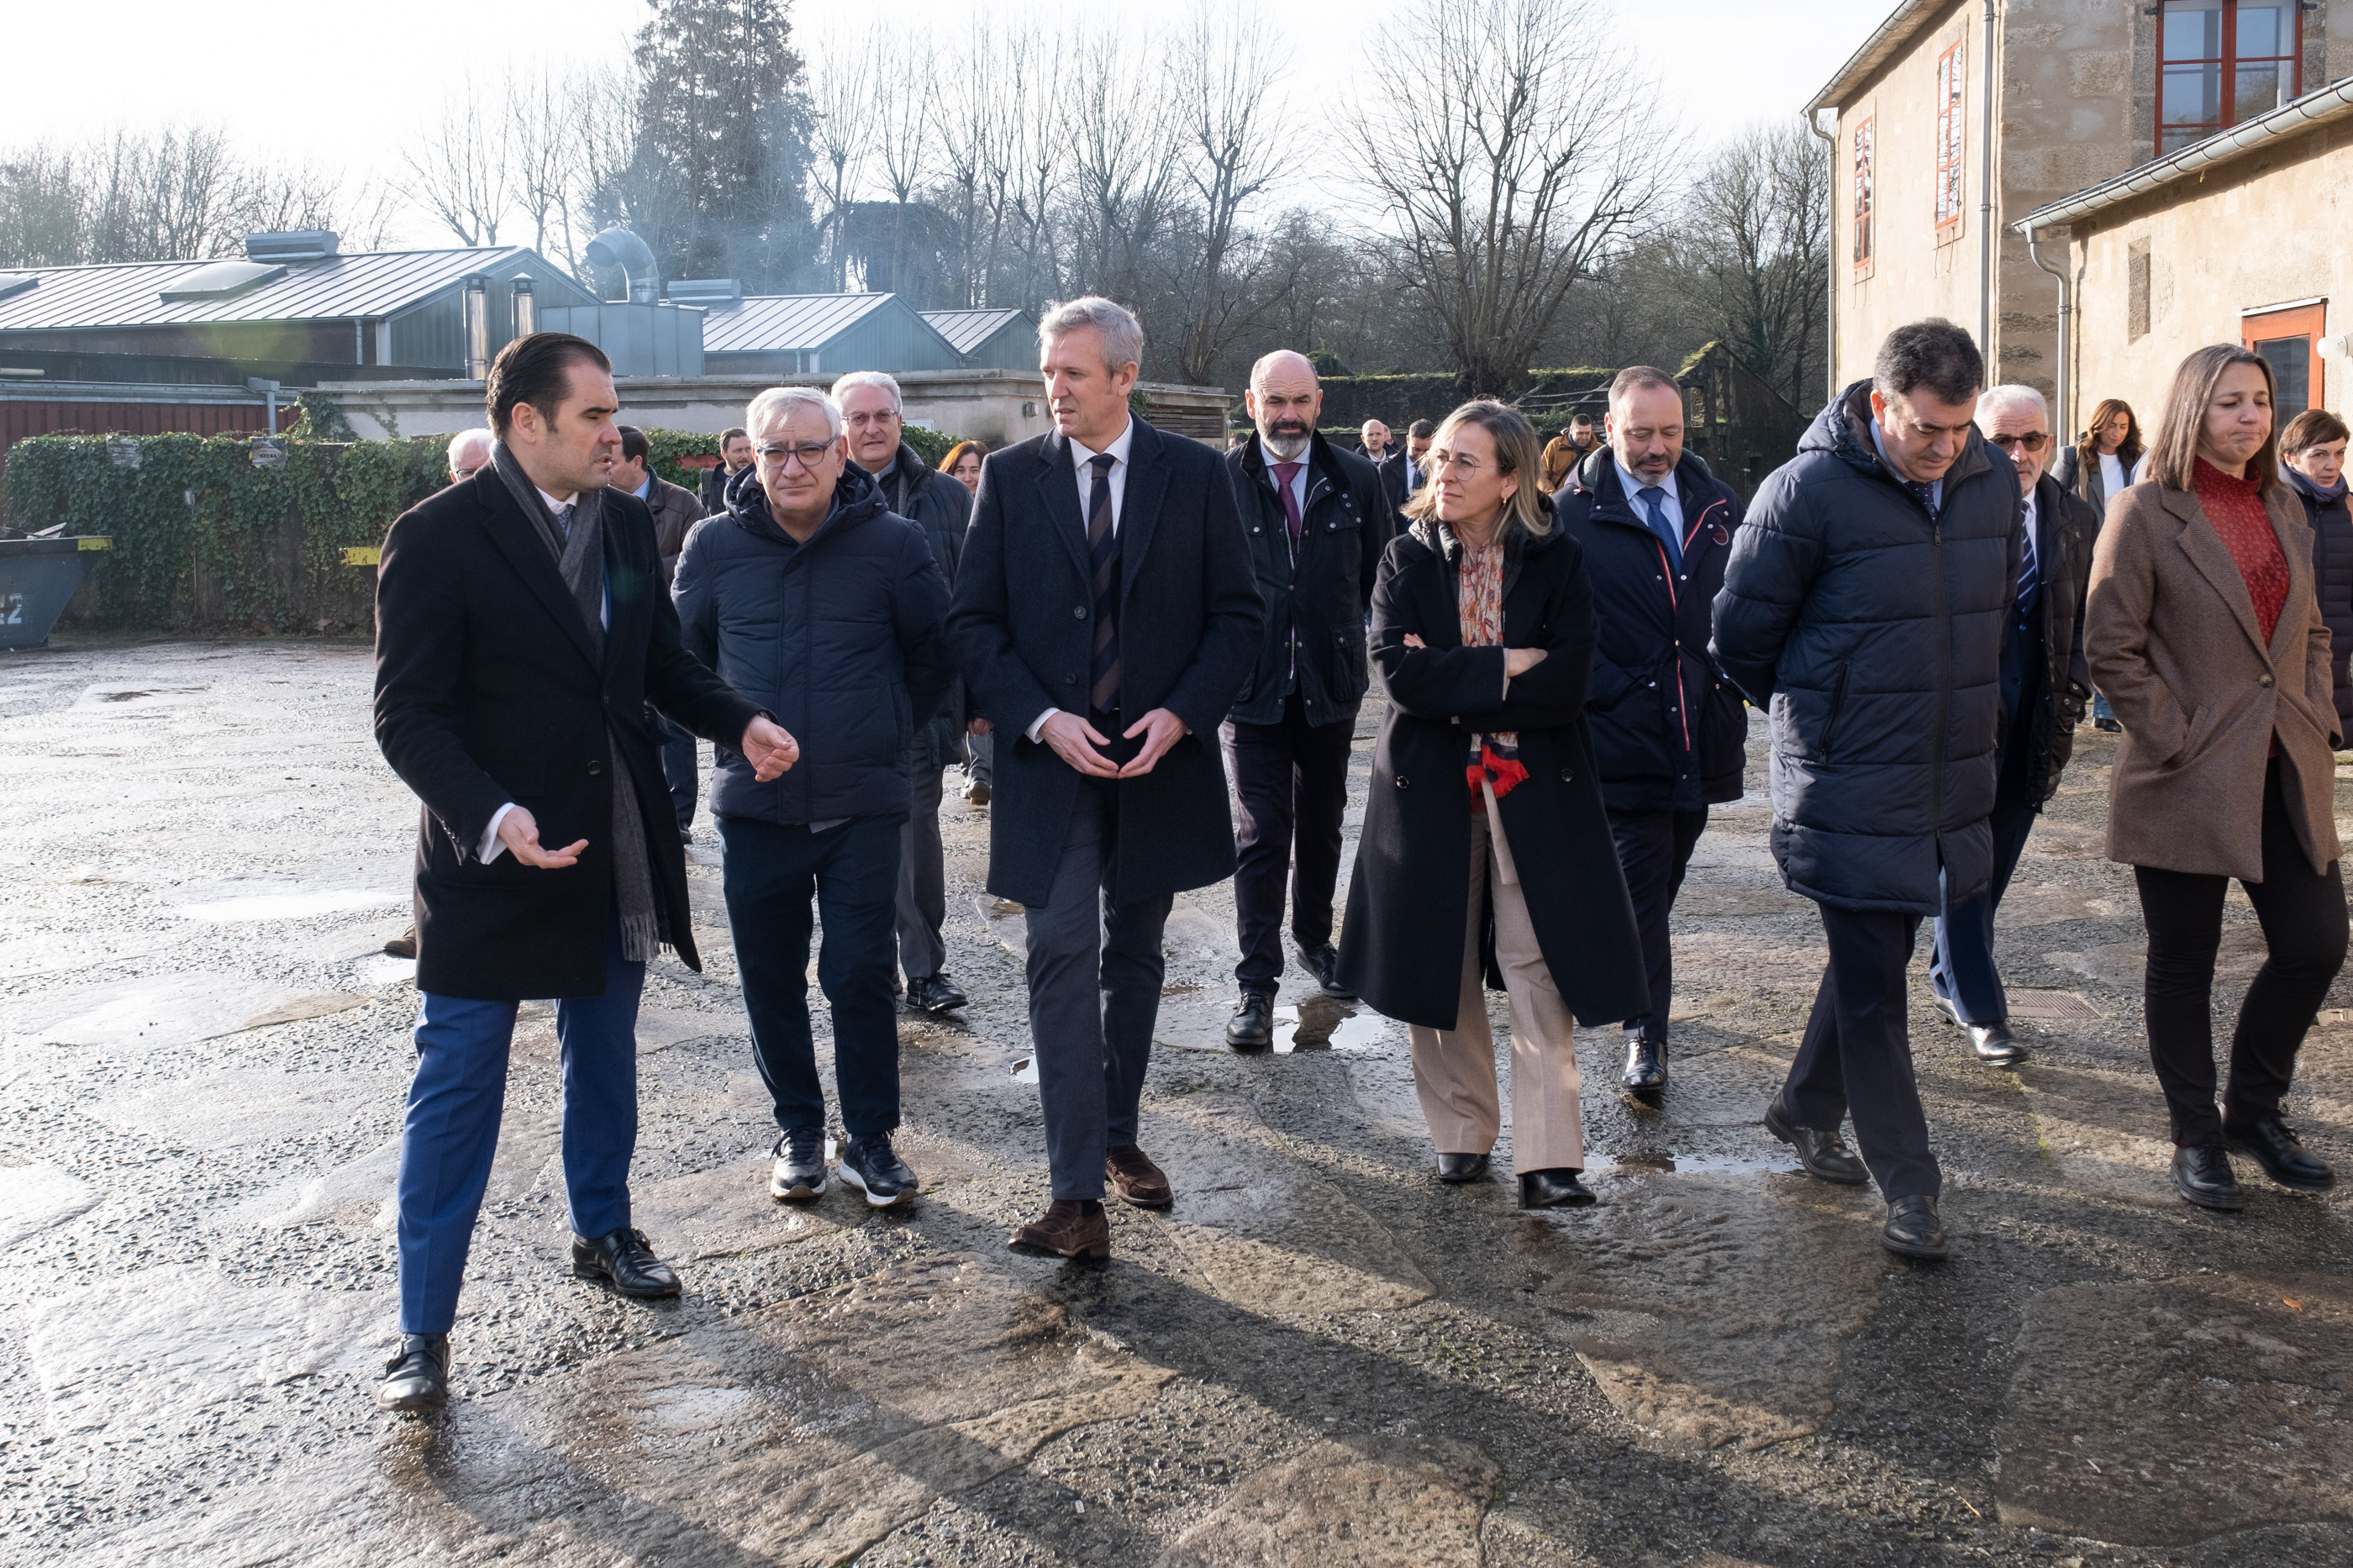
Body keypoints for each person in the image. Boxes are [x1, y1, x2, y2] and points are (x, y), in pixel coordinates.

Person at [371, 333, 800, 1412]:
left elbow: (656, 663)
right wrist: (494, 813)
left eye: (614, 414)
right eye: (595, 415)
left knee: (604, 1054)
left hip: (612, 841)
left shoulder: (618, 525)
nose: (616, 432)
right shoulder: (435, 538)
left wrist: (739, 720)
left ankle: (601, 1227)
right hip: (487, 859)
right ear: (527, 423)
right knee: (456, 1089)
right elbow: (405, 717)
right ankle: (423, 1327)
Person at [946, 296, 1261, 1260]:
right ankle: (1075, 1194)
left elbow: (1240, 619)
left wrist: (1182, 714)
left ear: (1125, 377)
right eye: (1048, 373)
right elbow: (974, 626)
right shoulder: (1009, 477)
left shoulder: (1197, 475)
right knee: (1058, 954)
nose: (1054, 389)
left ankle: (1117, 1133)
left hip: (1158, 764)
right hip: (1052, 767)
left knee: (1135, 957)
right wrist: (1040, 717)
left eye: (1071, 374)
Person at [1712, 318, 2019, 1261]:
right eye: (1926, 428)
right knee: (1874, 988)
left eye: (1960, 428)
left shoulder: (1989, 481)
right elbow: (1739, 639)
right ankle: (1911, 1186)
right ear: (1879, 403)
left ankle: (1803, 1104)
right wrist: (1829, 709)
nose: (1944, 448)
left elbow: (1994, 608)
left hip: (1945, 769)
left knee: (1873, 959)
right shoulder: (1804, 491)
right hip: (1845, 776)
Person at [1337, 401, 1646, 1208]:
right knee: (1436, 961)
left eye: (1465, 462)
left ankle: (1549, 1158)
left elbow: (1569, 685)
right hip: (1429, 791)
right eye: (1440, 458)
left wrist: (1457, 677)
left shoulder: (1558, 560)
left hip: (1536, 789)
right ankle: (1461, 1135)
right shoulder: (1405, 559)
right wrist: (1511, 663)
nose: (1443, 474)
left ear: (1511, 478)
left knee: (1536, 961)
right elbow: (1399, 680)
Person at [674, 386, 953, 1211]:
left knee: (860, 973)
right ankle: (798, 1129)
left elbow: (934, 658)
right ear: (749, 459)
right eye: (774, 451)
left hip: (863, 804)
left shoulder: (895, 545)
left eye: (808, 449)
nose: (791, 466)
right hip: (756, 808)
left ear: (839, 453)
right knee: (769, 975)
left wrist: (882, 730)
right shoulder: (713, 546)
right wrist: (737, 729)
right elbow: (678, 667)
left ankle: (870, 1138)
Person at [2084, 343, 2345, 1212]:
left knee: (2315, 945)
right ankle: (2195, 1135)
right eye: (2231, 402)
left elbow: (2307, 632)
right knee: (2183, 962)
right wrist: (2173, 735)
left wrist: (2314, 713)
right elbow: (2109, 645)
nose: (2250, 418)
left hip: (2285, 766)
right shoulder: (2145, 511)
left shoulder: (2283, 506)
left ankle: (2253, 1111)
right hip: (2187, 773)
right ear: (2194, 407)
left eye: (2261, 403)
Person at [1552, 366, 1746, 1099]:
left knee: (1663, 879)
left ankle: (1616, 966)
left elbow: (1750, 604)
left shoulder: (1721, 505)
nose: (1656, 447)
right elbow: (1555, 625)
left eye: (1670, 432)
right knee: (1640, 886)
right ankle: (1645, 1033)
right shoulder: (1567, 516)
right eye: (1640, 433)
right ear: (1609, 429)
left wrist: (1733, 682)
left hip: (1703, 729)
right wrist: (1605, 690)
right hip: (1617, 734)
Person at [1220, 350, 1388, 1048]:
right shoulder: (1221, 480)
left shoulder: (1356, 477)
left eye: (1300, 400)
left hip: (1329, 682)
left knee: (1322, 824)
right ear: (1251, 402)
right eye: (1274, 400)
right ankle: (1256, 985)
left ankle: (1316, 941)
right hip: (1250, 688)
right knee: (1261, 833)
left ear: (1319, 401)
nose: (1287, 415)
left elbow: (1384, 576)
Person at [1926, 386, 2096, 1067]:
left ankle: (1947, 975)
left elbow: (2084, 619)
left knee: (1993, 869)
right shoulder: (1950, 512)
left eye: (2034, 441)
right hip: (1964, 719)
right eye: (2004, 441)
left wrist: (2073, 694)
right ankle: (1981, 1008)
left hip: (2036, 721)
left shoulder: (2073, 517)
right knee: (1966, 866)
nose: (2020, 455)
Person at [833, 370, 976, 1015]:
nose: (871, 428)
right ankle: (868, 966)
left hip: (919, 698)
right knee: (849, 840)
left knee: (914, 833)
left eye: (881, 416)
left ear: (900, 419)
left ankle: (923, 970)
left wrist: (978, 700)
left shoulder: (948, 496)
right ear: (840, 426)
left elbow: (977, 602)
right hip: (838, 701)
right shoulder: (813, 490)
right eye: (857, 417)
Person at [383, 429, 501, 963]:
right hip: (451, 728)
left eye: (487, 471)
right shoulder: (429, 531)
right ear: (453, 476)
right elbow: (403, 703)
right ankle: (427, 924)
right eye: (468, 475)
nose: (479, 483)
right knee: (445, 820)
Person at [614, 424, 710, 842]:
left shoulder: (680, 503)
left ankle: (678, 816)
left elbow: (698, 561)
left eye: (613, 460)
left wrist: (644, 571)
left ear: (636, 463)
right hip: (619, 629)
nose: (605, 465)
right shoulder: (596, 501)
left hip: (671, 625)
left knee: (674, 725)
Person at [2051, 398, 2144, 732]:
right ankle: (2071, 693)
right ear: (2098, 424)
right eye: (2111, 425)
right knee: (2079, 624)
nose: (2117, 433)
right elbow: (2053, 498)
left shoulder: (2136, 460)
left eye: (2123, 426)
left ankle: (2104, 709)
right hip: (2084, 550)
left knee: (2113, 625)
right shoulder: (2073, 457)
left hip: (2124, 550)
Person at [2280, 409, 2353, 734]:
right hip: (2286, 652)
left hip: (2340, 651)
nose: (2332, 465)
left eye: (2340, 453)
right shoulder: (2271, 506)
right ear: (2291, 458)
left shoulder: (2350, 507)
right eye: (2319, 455)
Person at [942, 439, 996, 805]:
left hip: (986, 619)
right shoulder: (940, 509)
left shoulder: (1001, 507)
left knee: (981, 695)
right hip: (949, 619)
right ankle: (975, 770)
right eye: (960, 470)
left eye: (974, 469)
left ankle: (980, 772)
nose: (968, 477)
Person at [1378, 419, 1434, 524]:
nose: (1421, 455)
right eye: (1416, 449)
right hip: (1397, 531)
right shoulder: (1387, 468)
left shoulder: (1440, 468)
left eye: (1427, 450)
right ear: (1408, 440)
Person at [1540, 411, 1600, 493]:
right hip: (1557, 499)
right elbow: (1541, 475)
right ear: (1571, 430)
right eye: (1580, 433)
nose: (1584, 437)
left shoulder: (1599, 450)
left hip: (1586, 501)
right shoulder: (1555, 445)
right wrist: (1552, 497)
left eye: (1587, 433)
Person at [700, 426, 753, 514]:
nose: (745, 455)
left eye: (748, 449)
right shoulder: (710, 482)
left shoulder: (759, 479)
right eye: (738, 451)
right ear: (724, 454)